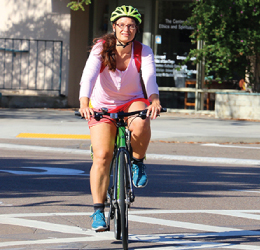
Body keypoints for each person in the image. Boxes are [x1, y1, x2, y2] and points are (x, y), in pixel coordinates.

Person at [78, 5, 161, 231]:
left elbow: (150, 77)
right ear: (114, 27)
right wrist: (84, 103)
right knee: (103, 156)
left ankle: (137, 161)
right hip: (102, 106)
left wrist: (154, 99)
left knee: (143, 119)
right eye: (122, 25)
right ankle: (98, 211)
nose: (127, 29)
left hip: (131, 101)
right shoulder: (101, 48)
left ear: (136, 28)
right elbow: (88, 76)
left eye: (132, 25)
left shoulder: (143, 51)